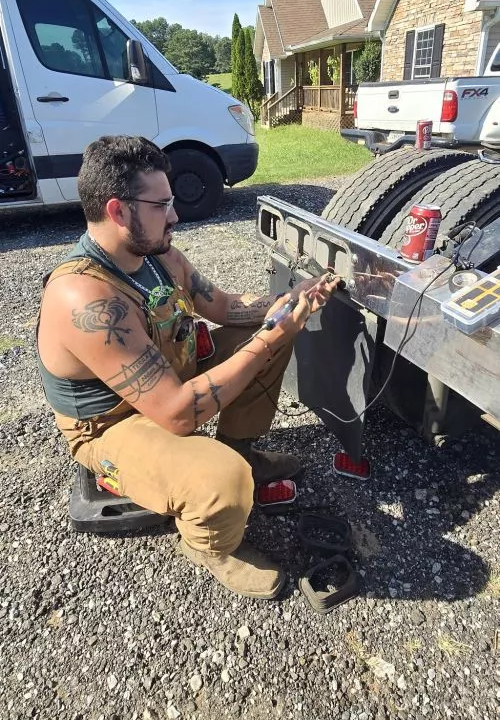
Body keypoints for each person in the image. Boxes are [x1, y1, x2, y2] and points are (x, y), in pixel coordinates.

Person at [37, 135, 339, 600]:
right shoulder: (84, 299)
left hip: (164, 385)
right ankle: (210, 545)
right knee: (222, 479)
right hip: (112, 424)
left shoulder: (157, 255)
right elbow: (179, 413)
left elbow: (222, 306)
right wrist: (271, 334)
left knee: (267, 338)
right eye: (161, 204)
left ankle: (242, 450)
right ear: (118, 211)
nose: (175, 215)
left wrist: (283, 305)